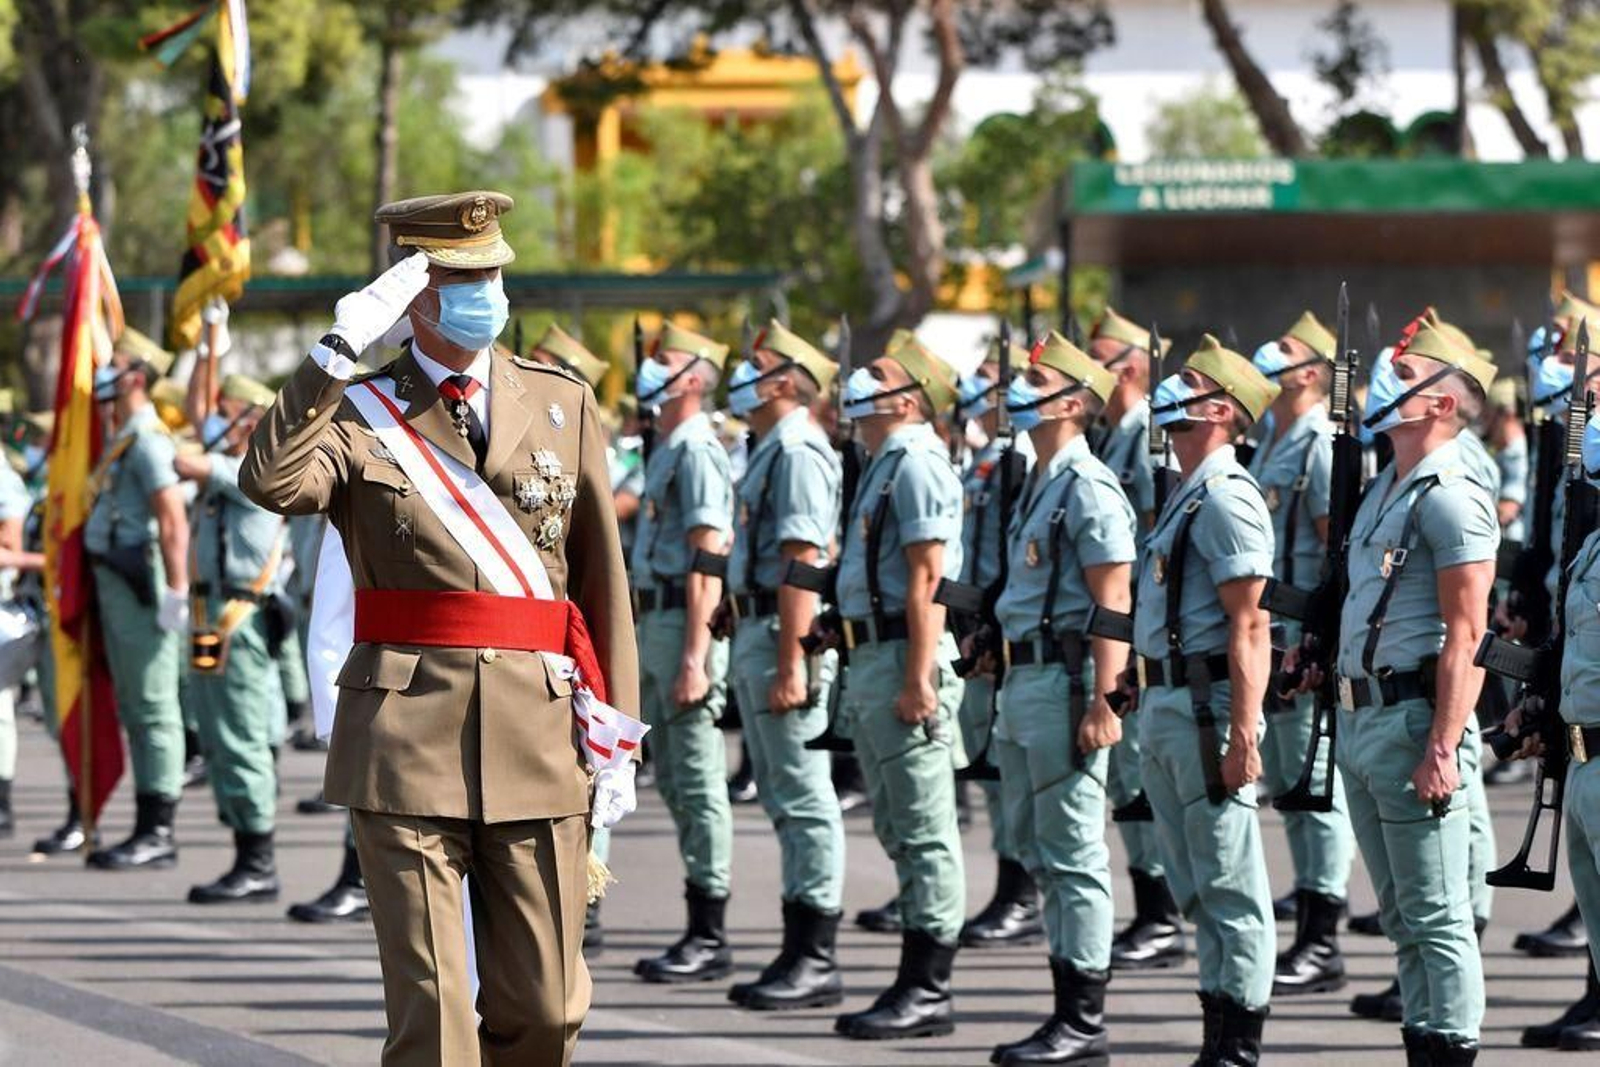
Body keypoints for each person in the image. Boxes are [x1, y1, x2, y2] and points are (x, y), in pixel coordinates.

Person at [241, 190, 639, 1065]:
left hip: (538, 732)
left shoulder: (562, 402)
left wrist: (616, 733)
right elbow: (270, 482)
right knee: (434, 1016)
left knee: (545, 1008)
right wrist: (336, 352)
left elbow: (601, 582)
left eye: (493, 273)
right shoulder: (356, 412)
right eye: (461, 277)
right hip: (406, 734)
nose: (484, 291)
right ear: (415, 292)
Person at [1295, 321, 1498, 1064]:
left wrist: (1443, 746)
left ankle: (1448, 1047)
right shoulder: (1385, 485)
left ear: (1440, 402)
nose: (1386, 375)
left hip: (1415, 722)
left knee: (1438, 918)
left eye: (1404, 369)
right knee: (1404, 919)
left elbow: (1466, 634)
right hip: (1362, 720)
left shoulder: (1451, 496)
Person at [1124, 334, 1279, 1064]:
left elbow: (1250, 621)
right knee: (1193, 881)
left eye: (1188, 386)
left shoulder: (1226, 497)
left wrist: (1245, 732)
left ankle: (1238, 1043)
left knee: (1228, 882)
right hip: (1167, 707)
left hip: (1206, 711)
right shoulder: (1187, 491)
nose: (1170, 394)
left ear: (1220, 409)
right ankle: (1217, 1030)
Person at [983, 333, 1131, 1065]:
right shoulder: (1043, 478)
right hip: (1026, 681)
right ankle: (1066, 1008)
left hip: (1067, 685)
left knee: (1074, 854)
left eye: (1036, 379)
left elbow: (1113, 598)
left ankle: (1083, 1018)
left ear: (1073, 401)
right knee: (1045, 849)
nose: (1018, 386)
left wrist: (1107, 702)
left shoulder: (1088, 484)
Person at [827, 334, 968, 1040]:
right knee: (899, 826)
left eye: (878, 374)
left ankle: (928, 986)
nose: (860, 378)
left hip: (903, 661)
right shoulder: (883, 461)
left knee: (924, 829)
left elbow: (926, 579)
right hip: (873, 657)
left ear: (908, 398)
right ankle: (916, 976)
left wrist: (918, 677)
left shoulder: (914, 461)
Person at [719, 319, 847, 1010]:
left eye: (756, 364)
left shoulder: (798, 449)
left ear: (783, 380)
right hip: (761, 625)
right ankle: (798, 944)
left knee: (803, 796)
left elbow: (803, 559)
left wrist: (793, 659)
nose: (743, 372)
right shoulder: (772, 447)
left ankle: (817, 952)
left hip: (781, 631)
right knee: (783, 795)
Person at [1246, 312, 1356, 997]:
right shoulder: (1270, 439)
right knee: (1290, 785)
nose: (1268, 354)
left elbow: (1328, 548)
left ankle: (1322, 938)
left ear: (1310, 372)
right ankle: (1310, 918)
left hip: (1300, 641)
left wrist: (1315, 640)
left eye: (1282, 350)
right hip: (1269, 636)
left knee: (1316, 792)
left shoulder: (1319, 444)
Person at [628, 321, 737, 984]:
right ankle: (697, 921)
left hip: (681, 621)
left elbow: (708, 559)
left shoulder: (697, 448)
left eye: (664, 361)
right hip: (656, 618)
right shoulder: (669, 445)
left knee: (698, 782)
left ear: (693, 379)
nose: (650, 370)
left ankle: (711, 929)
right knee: (670, 774)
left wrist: (697, 655)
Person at [1084, 306, 1187, 972]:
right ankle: (1152, 904)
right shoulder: (1116, 437)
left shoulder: (1153, 437)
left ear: (1129, 366)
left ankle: (1163, 911)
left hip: (1146, 625)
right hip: (1125, 626)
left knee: (1142, 776)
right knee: (1128, 777)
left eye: (1096, 358)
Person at [176, 373, 287, 903]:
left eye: (232, 410)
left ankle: (258, 860)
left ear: (256, 418)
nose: (219, 419)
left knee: (240, 738)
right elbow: (199, 417)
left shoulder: (258, 469)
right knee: (220, 738)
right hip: (212, 613)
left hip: (238, 620)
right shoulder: (229, 464)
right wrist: (210, 342)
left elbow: (186, 457)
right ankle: (244, 849)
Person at [84, 328, 191, 870]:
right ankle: (147, 822)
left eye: (116, 361)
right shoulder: (125, 434)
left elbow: (171, 519)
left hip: (139, 584)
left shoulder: (147, 439)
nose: (105, 368)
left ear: (135, 376)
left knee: (152, 706)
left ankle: (159, 829)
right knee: (136, 704)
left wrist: (176, 591)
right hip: (118, 581)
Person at [951, 338, 1040, 950]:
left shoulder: (1020, 461)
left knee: (1012, 777)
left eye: (988, 380)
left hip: (1006, 631)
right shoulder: (987, 460)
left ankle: (1022, 890)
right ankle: (1010, 884)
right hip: (980, 627)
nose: (974, 390)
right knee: (990, 770)